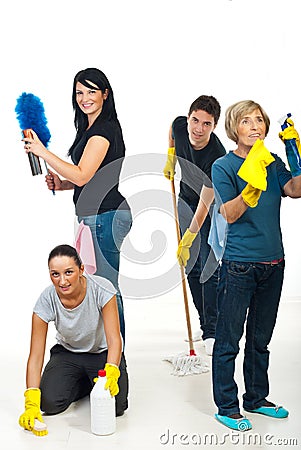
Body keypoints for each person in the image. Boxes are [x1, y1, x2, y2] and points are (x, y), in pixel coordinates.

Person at [211, 100, 301, 431]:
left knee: (260, 338)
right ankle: (227, 406)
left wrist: (292, 149)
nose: (255, 126)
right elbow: (229, 214)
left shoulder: (272, 161)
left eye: (259, 120)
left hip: (273, 263)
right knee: (228, 340)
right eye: (246, 121)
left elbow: (296, 189)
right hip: (239, 265)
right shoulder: (223, 166)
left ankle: (256, 398)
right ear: (235, 127)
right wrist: (251, 184)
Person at [23, 68, 132, 340]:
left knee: (107, 291)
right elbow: (90, 177)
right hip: (95, 217)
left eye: (91, 91)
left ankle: (117, 361)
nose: (84, 98)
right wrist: (63, 184)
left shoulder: (104, 131)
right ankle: (106, 353)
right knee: (98, 288)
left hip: (105, 217)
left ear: (105, 94)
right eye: (79, 92)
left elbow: (83, 173)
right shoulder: (89, 128)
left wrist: (43, 152)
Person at [19, 244, 128, 436]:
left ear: (81, 270)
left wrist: (112, 370)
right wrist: (31, 399)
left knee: (116, 407)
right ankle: (86, 382)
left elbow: (114, 339)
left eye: (68, 272)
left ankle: (93, 381)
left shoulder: (102, 289)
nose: (62, 281)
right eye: (55, 274)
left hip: (101, 354)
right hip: (68, 354)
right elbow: (35, 356)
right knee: (49, 404)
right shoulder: (46, 300)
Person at [163, 95, 226, 355]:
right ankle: (204, 324)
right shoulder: (180, 126)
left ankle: (213, 329)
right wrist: (170, 156)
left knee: (206, 267)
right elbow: (172, 129)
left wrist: (188, 239)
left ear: (214, 126)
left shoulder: (216, 156)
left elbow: (204, 204)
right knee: (189, 267)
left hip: (211, 209)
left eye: (207, 124)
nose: (198, 129)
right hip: (185, 199)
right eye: (195, 120)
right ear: (189, 118)